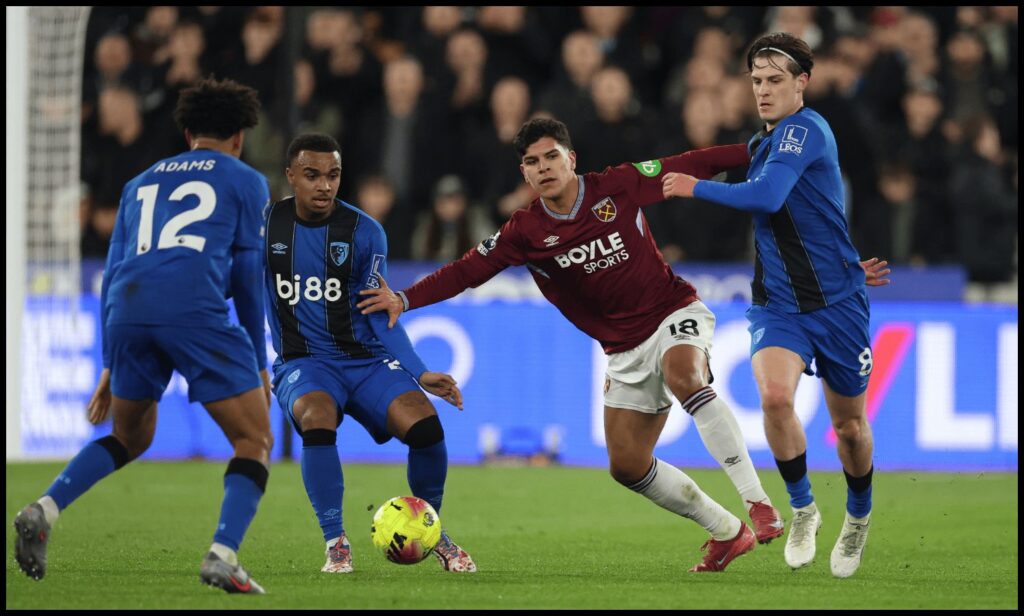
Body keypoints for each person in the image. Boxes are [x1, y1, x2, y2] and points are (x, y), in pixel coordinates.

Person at [360, 117, 782, 573]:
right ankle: (726, 532)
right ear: (524, 173)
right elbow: (466, 270)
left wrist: (755, 151)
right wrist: (405, 298)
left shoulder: (617, 186)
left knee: (687, 378)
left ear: (571, 159)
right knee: (627, 465)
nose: (543, 168)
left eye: (551, 157)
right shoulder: (525, 231)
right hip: (623, 350)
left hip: (674, 313)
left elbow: (692, 163)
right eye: (532, 162)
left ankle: (758, 503)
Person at [13, 77, 274, 593]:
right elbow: (246, 277)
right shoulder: (246, 180)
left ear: (186, 133)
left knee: (131, 436)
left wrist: (111, 361)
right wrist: (259, 360)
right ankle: (222, 554)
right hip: (194, 307)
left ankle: (44, 509)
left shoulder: (140, 183)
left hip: (128, 311)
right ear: (239, 137)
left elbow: (114, 272)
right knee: (254, 438)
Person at [661, 32, 892, 578]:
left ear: (802, 83)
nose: (763, 91)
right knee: (774, 398)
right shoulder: (763, 141)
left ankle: (857, 517)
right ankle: (804, 509)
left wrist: (694, 186)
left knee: (851, 429)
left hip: (837, 305)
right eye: (756, 81)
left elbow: (765, 197)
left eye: (775, 80)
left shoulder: (805, 130)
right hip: (778, 304)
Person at [266, 133, 474, 574]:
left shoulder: (364, 232)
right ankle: (335, 541)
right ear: (291, 177)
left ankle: (430, 530)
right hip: (303, 362)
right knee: (316, 417)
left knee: (426, 430)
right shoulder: (265, 227)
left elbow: (379, 312)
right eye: (312, 175)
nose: (324, 185)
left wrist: (419, 372)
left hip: (364, 361)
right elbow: (241, 291)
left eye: (333, 175)